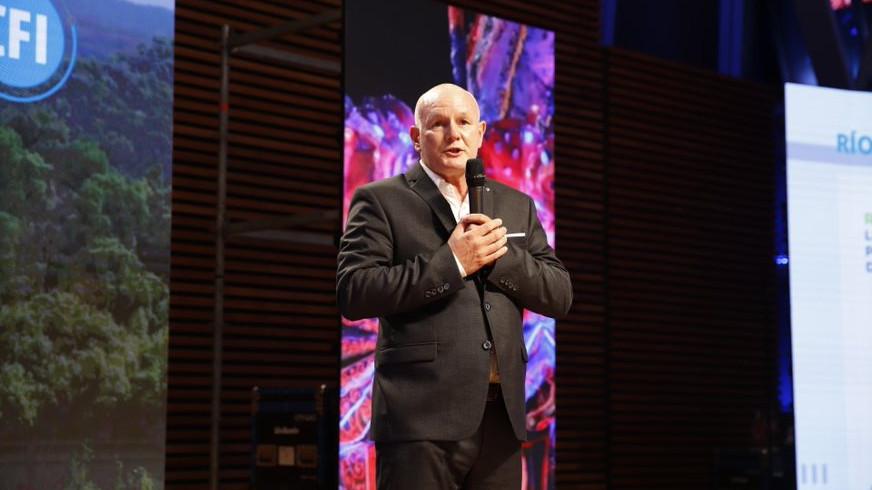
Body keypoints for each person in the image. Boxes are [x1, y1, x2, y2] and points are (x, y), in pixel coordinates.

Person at [337, 83, 572, 489]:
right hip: (420, 420)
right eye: (438, 124)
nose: (453, 134)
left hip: (500, 421)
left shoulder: (516, 205)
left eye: (463, 123)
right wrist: (454, 263)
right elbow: (355, 291)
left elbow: (559, 294)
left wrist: (499, 258)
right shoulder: (381, 200)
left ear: (480, 133)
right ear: (416, 137)